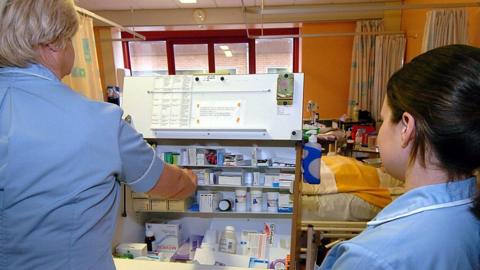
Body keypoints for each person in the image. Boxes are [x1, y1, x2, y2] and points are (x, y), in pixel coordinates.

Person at [0, 1, 196, 269]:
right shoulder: (99, 121)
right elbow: (167, 184)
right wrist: (189, 179)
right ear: (55, 42)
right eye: (70, 39)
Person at [318, 45, 480, 270]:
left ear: (406, 127)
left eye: (384, 120)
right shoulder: (467, 217)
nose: (380, 133)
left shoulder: (371, 258)